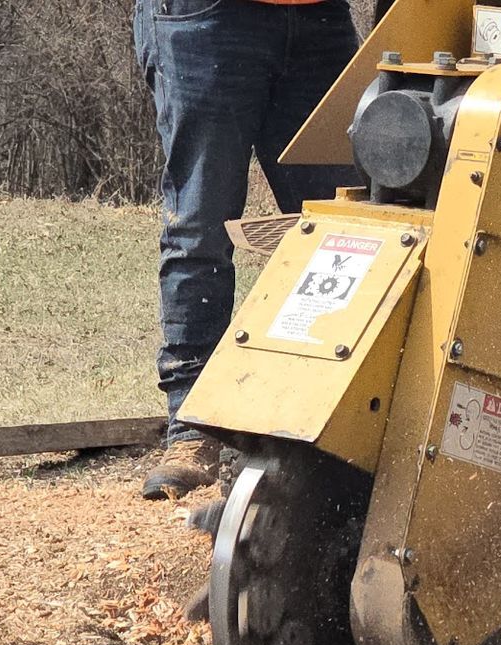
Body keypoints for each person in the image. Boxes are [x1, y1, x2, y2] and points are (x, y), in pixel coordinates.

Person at [133, 0, 364, 499]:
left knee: (351, 230)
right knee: (200, 228)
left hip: (319, 20)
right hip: (206, 20)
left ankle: (333, 425)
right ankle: (192, 429)